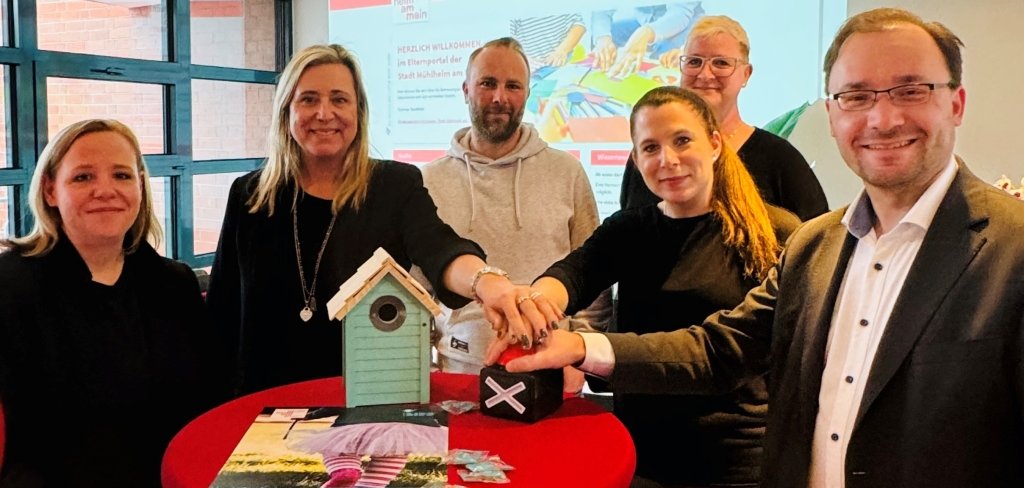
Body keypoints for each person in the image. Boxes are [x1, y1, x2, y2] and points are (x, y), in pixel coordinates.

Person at [491, 8, 1024, 488]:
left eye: (910, 90)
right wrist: (579, 347)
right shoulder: (817, 247)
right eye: (856, 96)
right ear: (834, 115)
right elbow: (717, 350)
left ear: (955, 102)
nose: (882, 118)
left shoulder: (1010, 246)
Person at [506, 85, 798, 487]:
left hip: (735, 464)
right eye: (650, 148)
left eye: (682, 141)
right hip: (638, 455)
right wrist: (534, 302)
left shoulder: (775, 233)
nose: (668, 160)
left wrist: (578, 347)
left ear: (714, 144)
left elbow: (722, 355)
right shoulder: (629, 229)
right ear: (635, 159)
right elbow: (574, 273)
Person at [207, 44, 528, 396]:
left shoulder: (393, 186)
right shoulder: (248, 196)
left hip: (367, 403)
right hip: (264, 407)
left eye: (340, 100)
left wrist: (485, 281)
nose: (324, 113)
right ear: (286, 111)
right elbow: (221, 316)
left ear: (359, 111)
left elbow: (440, 247)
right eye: (309, 99)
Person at [0, 119, 223, 487]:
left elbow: (204, 404)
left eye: (121, 175)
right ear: (50, 190)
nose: (106, 190)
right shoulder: (11, 288)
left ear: (139, 186)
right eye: (83, 177)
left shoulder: (174, 284)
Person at [422, 37, 609, 377]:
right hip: (457, 375)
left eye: (513, 86)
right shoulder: (427, 181)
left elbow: (594, 273)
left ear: (527, 93)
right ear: (466, 90)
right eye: (487, 83)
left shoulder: (567, 172)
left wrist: (581, 356)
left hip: (552, 372)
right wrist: (422, 373)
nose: (499, 97)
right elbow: (415, 291)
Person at [620, 15, 829, 221]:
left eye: (720, 63)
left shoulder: (779, 159)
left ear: (746, 74)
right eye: (694, 61)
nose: (705, 74)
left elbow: (818, 242)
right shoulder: (651, 160)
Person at [288, 405, 447, 488]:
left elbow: (434, 410)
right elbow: (340, 400)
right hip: (355, 428)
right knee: (346, 474)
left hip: (398, 430)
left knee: (371, 484)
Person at [591, 3, 704, 79]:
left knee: (665, 60)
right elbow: (601, 8)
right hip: (643, 20)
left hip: (683, 24)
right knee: (604, 35)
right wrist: (603, 38)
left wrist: (646, 33)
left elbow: (679, 14)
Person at [509, 14, 587, 69]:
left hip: (565, 61)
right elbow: (508, 41)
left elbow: (579, 25)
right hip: (532, 68)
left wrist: (562, 50)